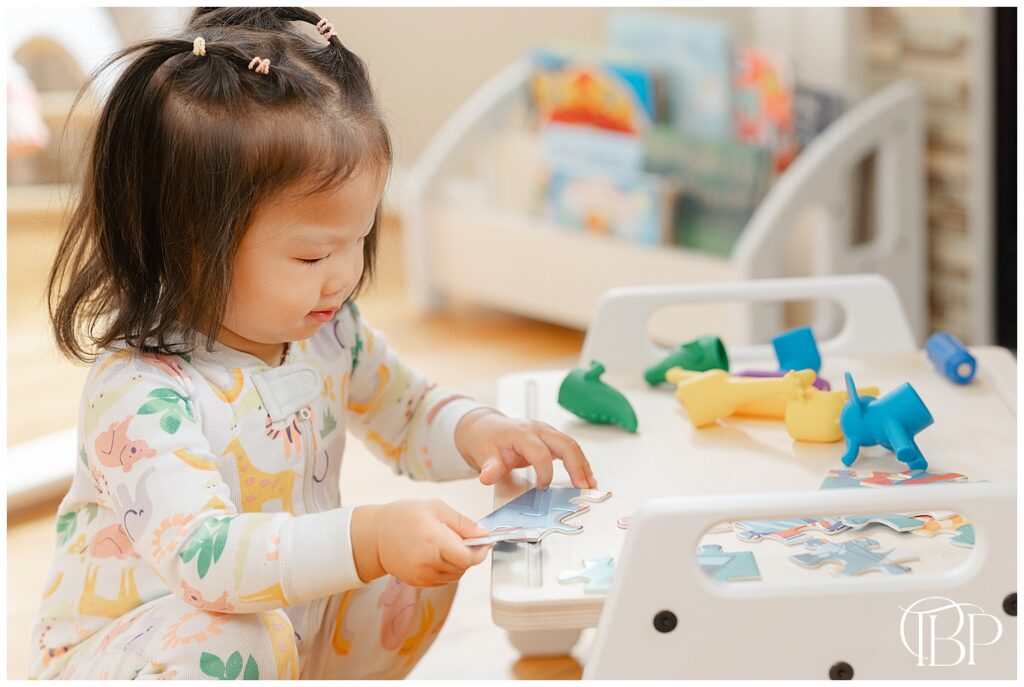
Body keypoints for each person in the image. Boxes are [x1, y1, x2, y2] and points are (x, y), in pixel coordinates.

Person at [29, 7, 596, 679]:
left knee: (424, 559)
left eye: (358, 240)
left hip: (278, 626)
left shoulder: (328, 330)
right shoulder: (140, 392)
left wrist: (483, 431)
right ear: (189, 246)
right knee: (240, 631)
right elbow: (211, 559)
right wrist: (367, 534)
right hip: (133, 651)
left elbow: (407, 410)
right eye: (311, 255)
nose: (345, 274)